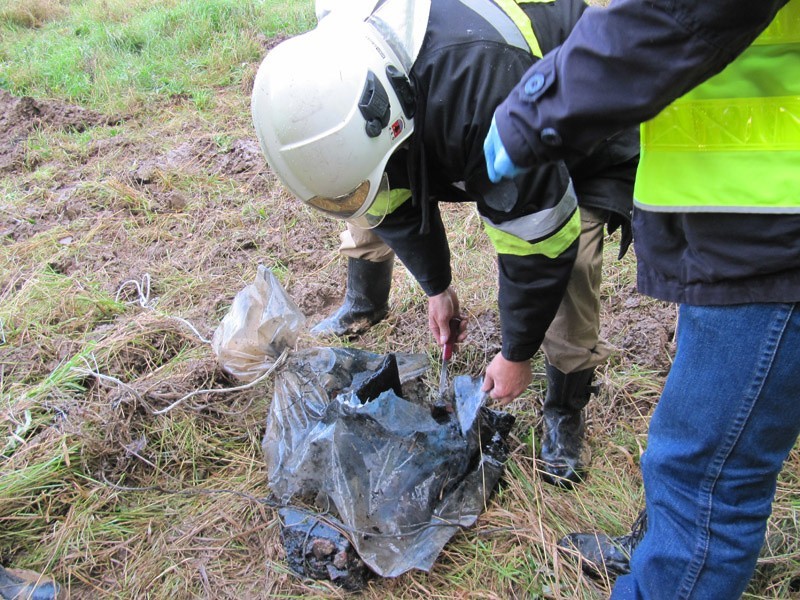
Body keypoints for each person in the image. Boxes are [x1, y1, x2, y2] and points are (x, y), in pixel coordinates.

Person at [483, 0, 800, 596]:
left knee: (703, 478)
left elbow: (677, 11)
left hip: (778, 232)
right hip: (749, 218)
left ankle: (674, 561)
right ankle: (662, 543)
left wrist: (536, 106)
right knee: (705, 441)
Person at [252, 0, 639, 487]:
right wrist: (437, 285)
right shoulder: (336, 71)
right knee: (370, 188)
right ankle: (366, 300)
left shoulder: (480, 91)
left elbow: (538, 240)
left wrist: (517, 354)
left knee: (573, 255)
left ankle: (566, 404)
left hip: (576, 115)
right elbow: (390, 199)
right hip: (438, 105)